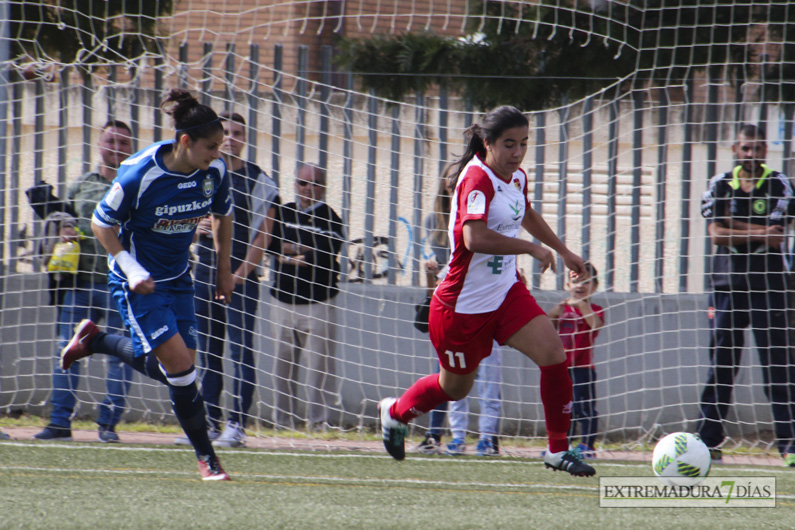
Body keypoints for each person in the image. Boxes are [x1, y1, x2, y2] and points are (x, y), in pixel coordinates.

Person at [379, 105, 595, 477]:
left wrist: (563, 250)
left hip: (506, 293)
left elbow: (525, 212)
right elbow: (473, 236)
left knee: (554, 355)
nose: (517, 152)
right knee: (455, 389)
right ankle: (395, 413)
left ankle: (558, 450)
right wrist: (530, 248)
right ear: (487, 142)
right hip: (462, 306)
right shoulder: (474, 178)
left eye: (524, 143)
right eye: (509, 144)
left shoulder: (515, 176)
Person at [61, 88, 234, 480]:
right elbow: (101, 224)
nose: (217, 154)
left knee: (177, 371)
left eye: (220, 146)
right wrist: (131, 267)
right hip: (137, 283)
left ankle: (99, 341)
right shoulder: (140, 172)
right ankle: (207, 458)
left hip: (179, 280)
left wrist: (224, 270)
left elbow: (223, 216)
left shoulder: (215, 172)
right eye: (210, 146)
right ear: (185, 141)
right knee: (182, 371)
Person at [175, 111, 279, 448]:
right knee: (207, 352)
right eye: (226, 133)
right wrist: (195, 227)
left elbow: (264, 236)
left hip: (241, 281)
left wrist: (237, 275)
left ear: (244, 138)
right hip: (203, 276)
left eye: (237, 133)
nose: (231, 138)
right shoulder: (200, 174)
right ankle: (208, 424)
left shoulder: (258, 179)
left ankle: (237, 426)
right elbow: (178, 222)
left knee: (241, 352)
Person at [698, 123, 795, 467]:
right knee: (721, 364)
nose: (751, 155)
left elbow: (778, 233)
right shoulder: (719, 184)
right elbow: (716, 234)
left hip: (770, 286)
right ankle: (708, 441)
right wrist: (756, 231)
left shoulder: (781, 184)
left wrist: (732, 223)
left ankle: (790, 443)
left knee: (778, 364)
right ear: (735, 150)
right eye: (745, 149)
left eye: (757, 148)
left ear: (765, 150)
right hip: (726, 285)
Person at [33, 120, 135, 443]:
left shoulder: (135, 185)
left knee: (121, 357)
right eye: (111, 141)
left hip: (119, 286)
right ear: (100, 145)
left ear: (130, 150)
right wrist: (65, 231)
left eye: (123, 142)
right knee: (67, 351)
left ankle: (108, 425)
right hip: (79, 286)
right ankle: (60, 422)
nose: (116, 147)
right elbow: (66, 224)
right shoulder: (80, 186)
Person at [270, 163, 345, 432]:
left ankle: (317, 423)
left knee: (319, 370)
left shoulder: (332, 218)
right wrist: (300, 252)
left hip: (319, 304)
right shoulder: (283, 212)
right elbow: (272, 245)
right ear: (295, 185)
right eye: (303, 183)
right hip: (282, 302)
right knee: (282, 368)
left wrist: (294, 252)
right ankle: (283, 424)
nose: (308, 189)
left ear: (323, 188)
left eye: (314, 183)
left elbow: (324, 255)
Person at [548, 262, 604, 459]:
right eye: (575, 281)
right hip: (563, 368)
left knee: (584, 407)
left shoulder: (595, 309)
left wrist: (581, 305)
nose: (580, 286)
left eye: (586, 282)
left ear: (595, 287)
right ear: (567, 285)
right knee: (565, 408)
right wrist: (554, 313)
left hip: (583, 368)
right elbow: (550, 327)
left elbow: (596, 324)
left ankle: (587, 445)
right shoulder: (562, 308)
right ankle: (565, 444)